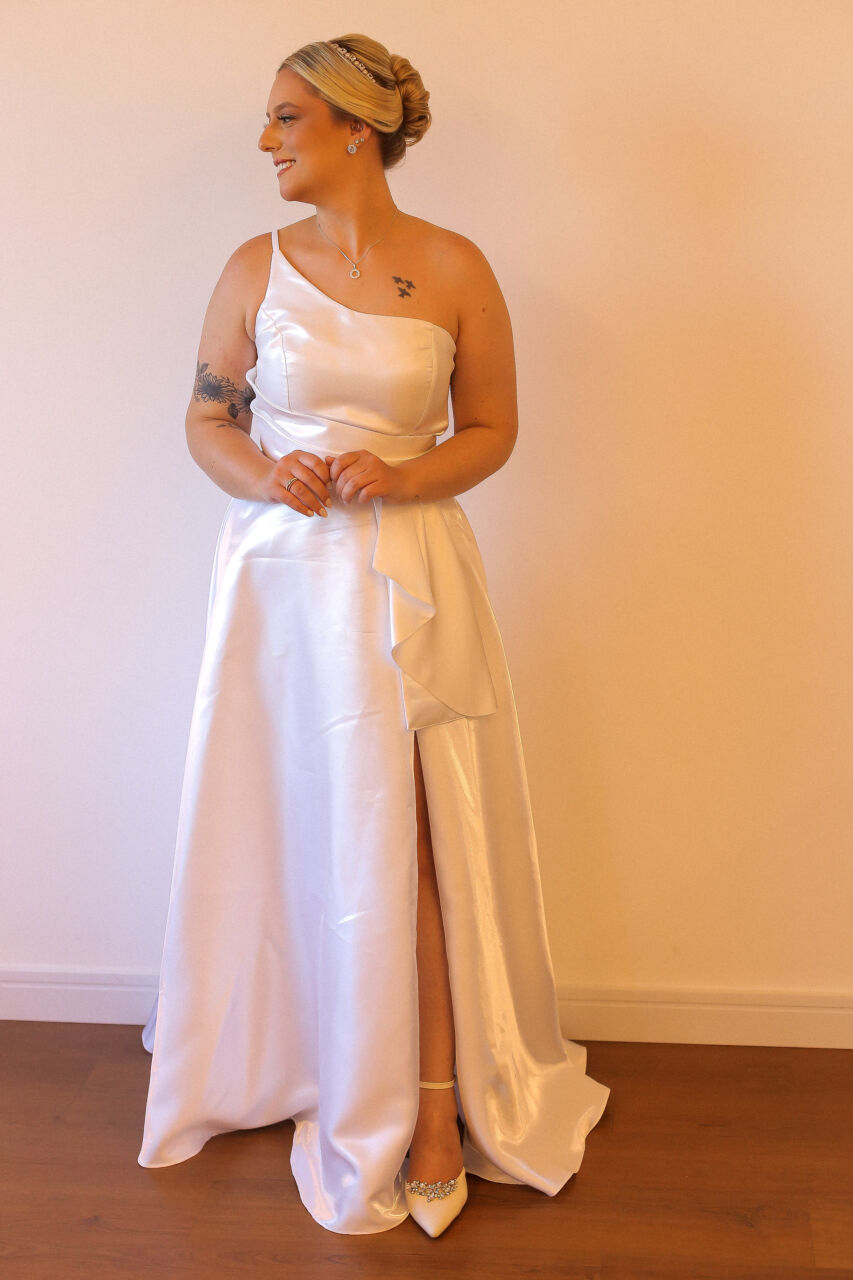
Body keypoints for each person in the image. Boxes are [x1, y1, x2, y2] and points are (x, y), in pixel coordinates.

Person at [137, 33, 610, 1238]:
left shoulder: (454, 265)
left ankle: (436, 1102)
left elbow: (491, 427)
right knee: (296, 814)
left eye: (286, 117)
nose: (266, 140)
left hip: (411, 574)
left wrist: (402, 475)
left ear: (357, 128)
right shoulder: (253, 266)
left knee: (414, 828)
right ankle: (309, 1054)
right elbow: (205, 419)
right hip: (283, 581)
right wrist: (267, 472)